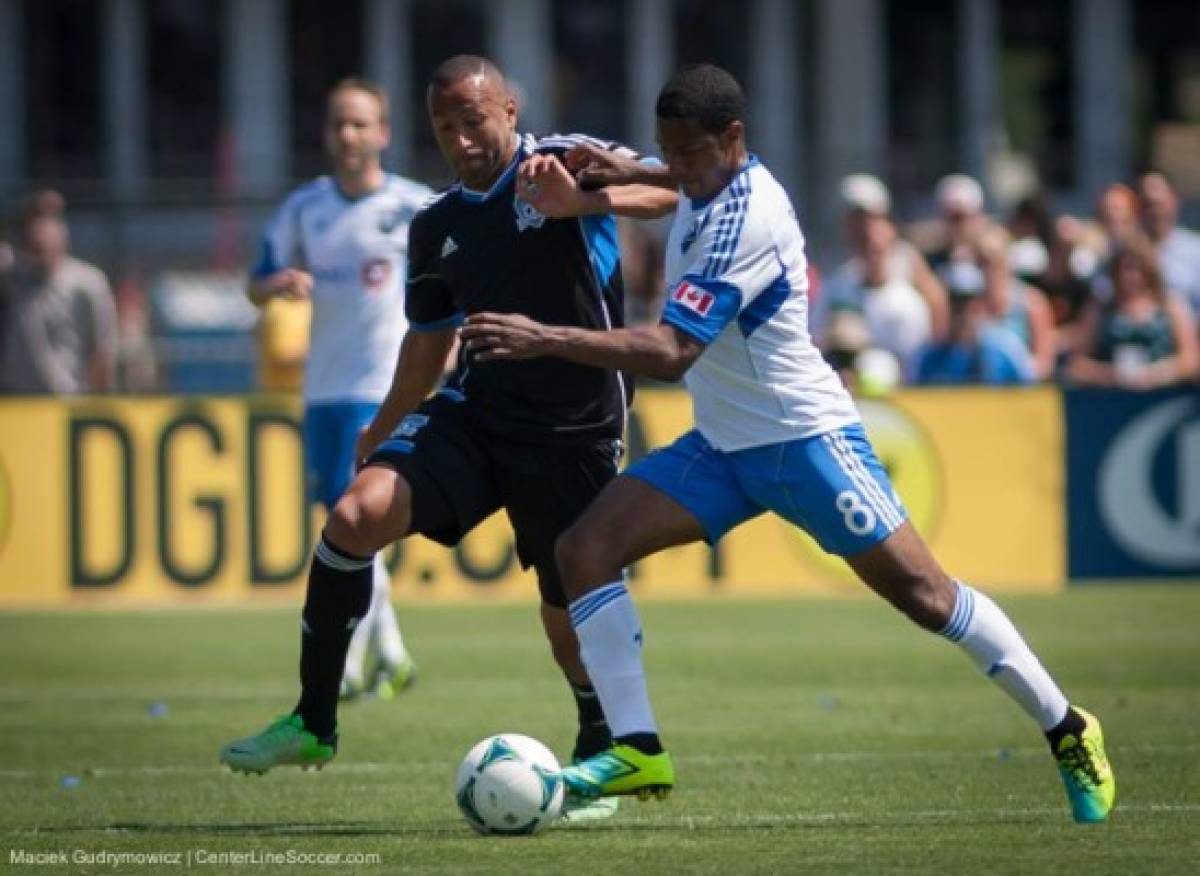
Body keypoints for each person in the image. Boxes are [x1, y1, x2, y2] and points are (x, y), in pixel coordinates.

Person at [461, 63, 1116, 824]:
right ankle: (639, 748)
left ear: (732, 139)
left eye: (690, 155)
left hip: (804, 440)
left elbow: (674, 352)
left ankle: (1067, 727)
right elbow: (674, 185)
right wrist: (634, 170)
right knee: (582, 552)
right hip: (723, 448)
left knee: (927, 597)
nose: (679, 171)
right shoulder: (701, 178)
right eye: (667, 152)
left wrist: (545, 337)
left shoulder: (751, 218)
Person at [219, 56, 676, 822]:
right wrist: (383, 426)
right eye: (445, 127)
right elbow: (428, 344)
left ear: (508, 109)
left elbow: (677, 186)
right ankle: (313, 722)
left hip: (575, 431)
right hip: (478, 414)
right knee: (354, 516)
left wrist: (585, 200)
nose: (462, 140)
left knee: (567, 622)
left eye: (474, 120)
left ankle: (601, 746)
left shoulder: (561, 159)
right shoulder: (435, 226)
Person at [244, 78, 425, 701]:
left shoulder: (414, 206)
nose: (348, 135)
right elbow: (256, 281)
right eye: (338, 124)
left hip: (383, 387)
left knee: (354, 523)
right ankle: (391, 653)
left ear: (383, 133)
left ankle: (349, 662)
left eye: (360, 124)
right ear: (327, 135)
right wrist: (277, 284)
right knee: (343, 525)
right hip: (321, 389)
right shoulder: (304, 208)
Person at [0, 191, 116, 394]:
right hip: (14, 403)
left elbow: (101, 350)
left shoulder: (87, 284)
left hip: (66, 401)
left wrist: (98, 400)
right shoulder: (12, 275)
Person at [1067, 235, 1199, 389]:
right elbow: (1077, 365)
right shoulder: (1100, 307)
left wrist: (1156, 374)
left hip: (1165, 402)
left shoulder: (1171, 305)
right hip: (1110, 401)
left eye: (1137, 268)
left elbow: (1191, 360)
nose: (1130, 276)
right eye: (1124, 268)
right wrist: (1113, 375)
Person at [1136, 172, 1200, 314]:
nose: (1154, 212)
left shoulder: (1195, 250)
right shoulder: (1125, 251)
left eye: (1158, 204)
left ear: (1174, 201)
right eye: (1147, 204)